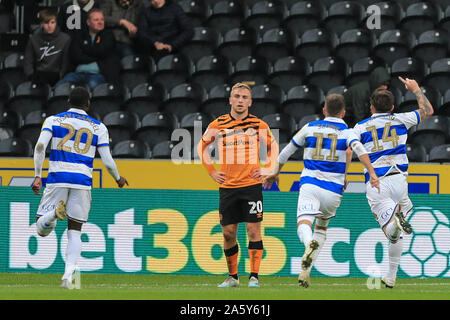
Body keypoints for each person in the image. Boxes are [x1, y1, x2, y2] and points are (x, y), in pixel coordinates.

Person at [263, 94, 380, 288]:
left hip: (310, 184)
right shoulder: (347, 132)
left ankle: (309, 244)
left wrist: (275, 173)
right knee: (321, 228)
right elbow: (358, 150)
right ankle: (306, 271)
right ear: (343, 112)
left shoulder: (310, 127)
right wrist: (372, 173)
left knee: (303, 223)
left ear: (324, 110)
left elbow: (287, 151)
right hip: (334, 191)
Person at [31, 86, 128, 289]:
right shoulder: (98, 127)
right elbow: (107, 161)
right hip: (82, 180)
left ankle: (53, 216)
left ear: (68, 102)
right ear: (88, 104)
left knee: (42, 229)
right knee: (75, 231)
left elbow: (40, 147)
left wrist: (38, 175)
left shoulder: (53, 120)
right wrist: (118, 178)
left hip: (58, 176)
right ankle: (68, 276)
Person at [351, 77, 434, 288]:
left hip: (377, 182)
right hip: (399, 180)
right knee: (396, 234)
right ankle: (391, 277)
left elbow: (349, 148)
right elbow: (428, 110)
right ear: (393, 107)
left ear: (371, 108)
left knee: (390, 230)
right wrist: (415, 89)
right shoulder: (401, 119)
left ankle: (395, 225)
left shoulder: (360, 127)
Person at [197, 82, 279, 288]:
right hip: (228, 187)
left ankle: (254, 277)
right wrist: (212, 171)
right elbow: (201, 146)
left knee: (253, 230)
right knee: (228, 233)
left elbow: (273, 146)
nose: (240, 100)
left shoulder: (259, 124)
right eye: (237, 96)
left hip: (251, 185)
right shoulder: (218, 124)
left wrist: (269, 169)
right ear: (230, 100)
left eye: (244, 97)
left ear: (250, 102)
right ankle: (232, 277)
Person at [56, 9, 120, 90]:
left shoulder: (109, 35)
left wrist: (85, 51)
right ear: (88, 22)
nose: (100, 22)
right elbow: (75, 56)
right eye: (96, 20)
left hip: (97, 75)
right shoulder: (79, 35)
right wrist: (96, 56)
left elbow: (102, 52)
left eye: (102, 19)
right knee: (60, 87)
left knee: (92, 87)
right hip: (77, 74)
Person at [23, 9, 71, 87]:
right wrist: (30, 76)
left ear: (56, 23)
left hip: (57, 75)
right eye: (46, 23)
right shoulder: (33, 39)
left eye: (52, 22)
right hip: (39, 75)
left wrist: (61, 76)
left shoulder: (65, 39)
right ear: (41, 24)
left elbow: (66, 63)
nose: (49, 26)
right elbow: (28, 61)